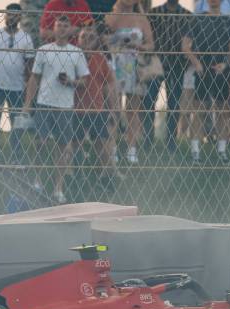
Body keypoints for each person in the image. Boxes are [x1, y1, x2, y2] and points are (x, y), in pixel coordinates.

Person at [24, 15, 90, 203]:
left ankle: (58, 187)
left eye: (65, 25)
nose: (61, 28)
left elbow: (84, 80)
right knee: (41, 142)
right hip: (44, 102)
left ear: (70, 30)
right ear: (53, 29)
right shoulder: (44, 50)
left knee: (63, 147)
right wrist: (28, 105)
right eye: (59, 25)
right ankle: (37, 180)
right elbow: (34, 78)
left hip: (65, 105)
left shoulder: (76, 52)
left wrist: (70, 82)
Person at [181, 0, 230, 163]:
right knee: (199, 111)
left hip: (221, 71)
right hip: (202, 70)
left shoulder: (228, 21)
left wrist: (226, 64)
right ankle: (195, 152)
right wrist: (197, 63)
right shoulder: (198, 19)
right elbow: (185, 46)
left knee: (221, 111)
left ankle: (221, 151)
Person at [105, 0, 154, 165]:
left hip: (136, 66)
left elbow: (150, 44)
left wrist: (138, 47)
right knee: (114, 109)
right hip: (115, 65)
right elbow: (103, 39)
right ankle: (112, 149)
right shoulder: (111, 16)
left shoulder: (141, 19)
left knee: (133, 110)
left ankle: (132, 149)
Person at [0, 3, 34, 162]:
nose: (11, 17)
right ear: (5, 15)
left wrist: (28, 83)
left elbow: (29, 63)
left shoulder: (25, 38)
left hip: (17, 86)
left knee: (16, 122)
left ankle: (16, 156)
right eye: (9, 14)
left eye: (15, 15)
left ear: (20, 17)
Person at [74, 24, 119, 193]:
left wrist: (112, 110)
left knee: (103, 146)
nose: (87, 40)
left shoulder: (100, 60)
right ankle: (76, 176)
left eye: (91, 37)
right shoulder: (72, 56)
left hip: (97, 109)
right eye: (83, 36)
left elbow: (108, 87)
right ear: (78, 39)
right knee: (75, 144)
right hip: (76, 109)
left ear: (96, 41)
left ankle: (105, 178)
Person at [145, 0, 191, 152]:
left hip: (177, 65)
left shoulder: (187, 16)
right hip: (156, 64)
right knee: (149, 101)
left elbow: (190, 42)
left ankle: (171, 142)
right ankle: (147, 140)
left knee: (174, 104)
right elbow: (148, 38)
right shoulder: (153, 13)